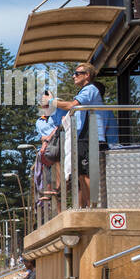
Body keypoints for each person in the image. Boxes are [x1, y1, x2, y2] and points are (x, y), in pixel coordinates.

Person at [44, 62, 116, 207]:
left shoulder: (90, 89)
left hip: (90, 137)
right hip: (83, 137)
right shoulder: (86, 90)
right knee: (81, 174)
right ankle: (87, 206)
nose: (73, 76)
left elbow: (71, 105)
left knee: (87, 173)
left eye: (77, 73)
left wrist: (52, 101)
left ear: (87, 75)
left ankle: (92, 206)